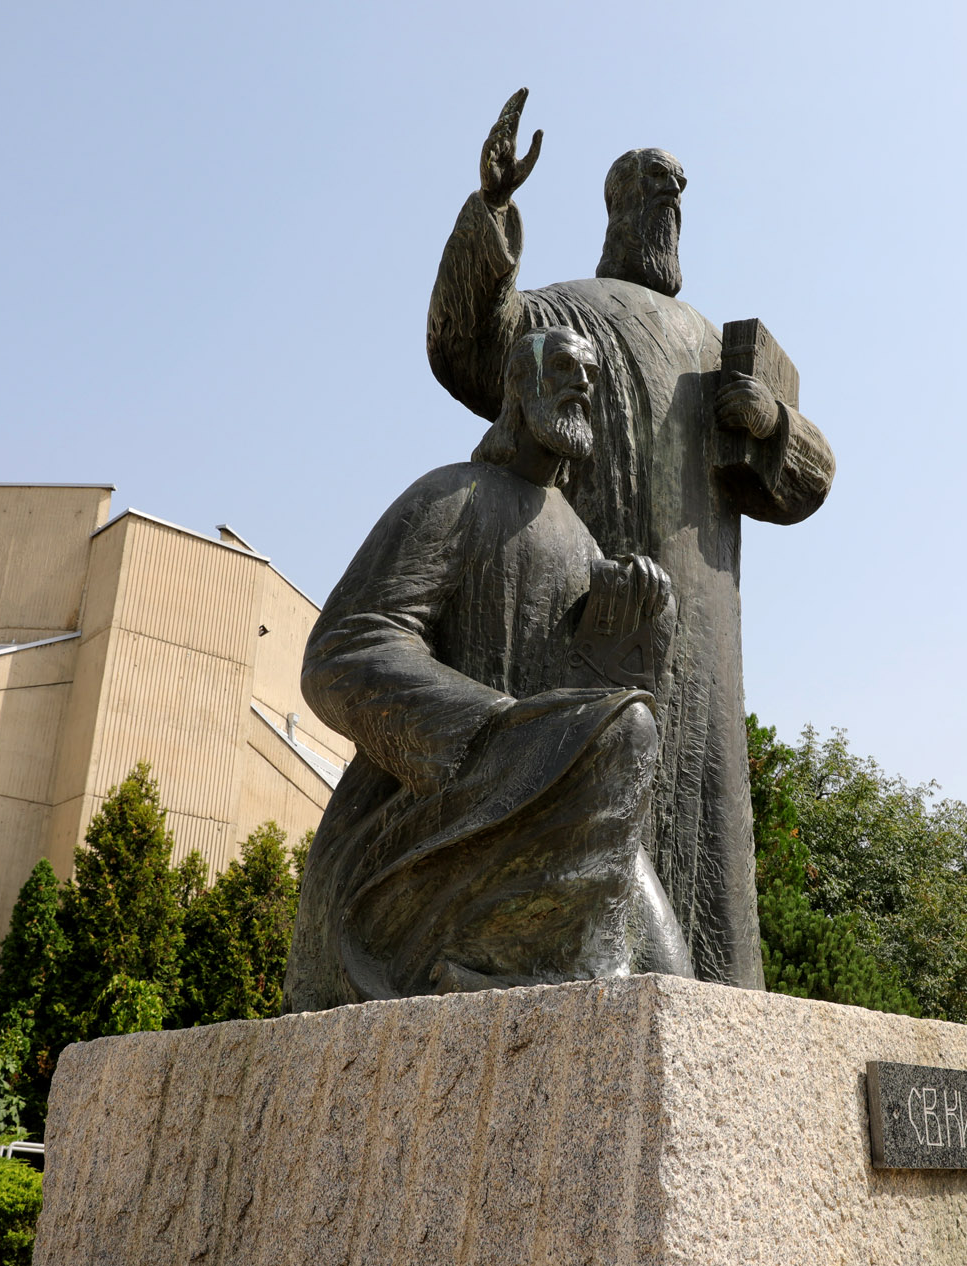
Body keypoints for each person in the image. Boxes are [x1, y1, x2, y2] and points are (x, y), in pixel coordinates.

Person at [426, 89, 837, 989]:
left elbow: (809, 482)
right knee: (592, 802)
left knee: (709, 832)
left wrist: (771, 424)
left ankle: (712, 1014)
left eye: (676, 195)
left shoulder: (717, 346)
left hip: (704, 632)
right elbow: (468, 347)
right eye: (653, 192)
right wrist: (491, 212)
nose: (668, 207)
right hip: (594, 606)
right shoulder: (569, 315)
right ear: (616, 209)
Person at [284, 326, 692, 1007]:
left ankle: (545, 982)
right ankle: (549, 987)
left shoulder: (587, 547)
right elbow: (345, 649)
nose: (582, 383)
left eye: (590, 375)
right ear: (519, 387)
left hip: (543, 799)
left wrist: (624, 649)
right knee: (630, 729)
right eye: (563, 366)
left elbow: (578, 710)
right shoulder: (453, 495)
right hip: (429, 803)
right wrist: (499, 728)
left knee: (667, 974)